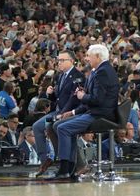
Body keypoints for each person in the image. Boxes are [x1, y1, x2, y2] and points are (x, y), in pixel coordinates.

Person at [52, 44, 119, 180]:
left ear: (98, 57)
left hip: (100, 115)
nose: (86, 58)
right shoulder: (99, 70)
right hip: (93, 111)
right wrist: (73, 112)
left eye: (89, 55)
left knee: (63, 128)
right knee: (57, 125)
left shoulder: (103, 72)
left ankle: (65, 168)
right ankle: (71, 166)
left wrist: (82, 96)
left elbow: (97, 100)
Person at [34, 50, 84, 176]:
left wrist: (61, 114)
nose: (59, 63)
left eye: (62, 60)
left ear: (71, 61)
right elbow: (57, 99)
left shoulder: (78, 76)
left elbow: (73, 99)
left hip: (70, 113)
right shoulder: (60, 76)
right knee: (37, 126)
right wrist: (50, 94)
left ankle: (64, 160)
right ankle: (45, 160)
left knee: (52, 126)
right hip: (57, 111)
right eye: (58, 60)